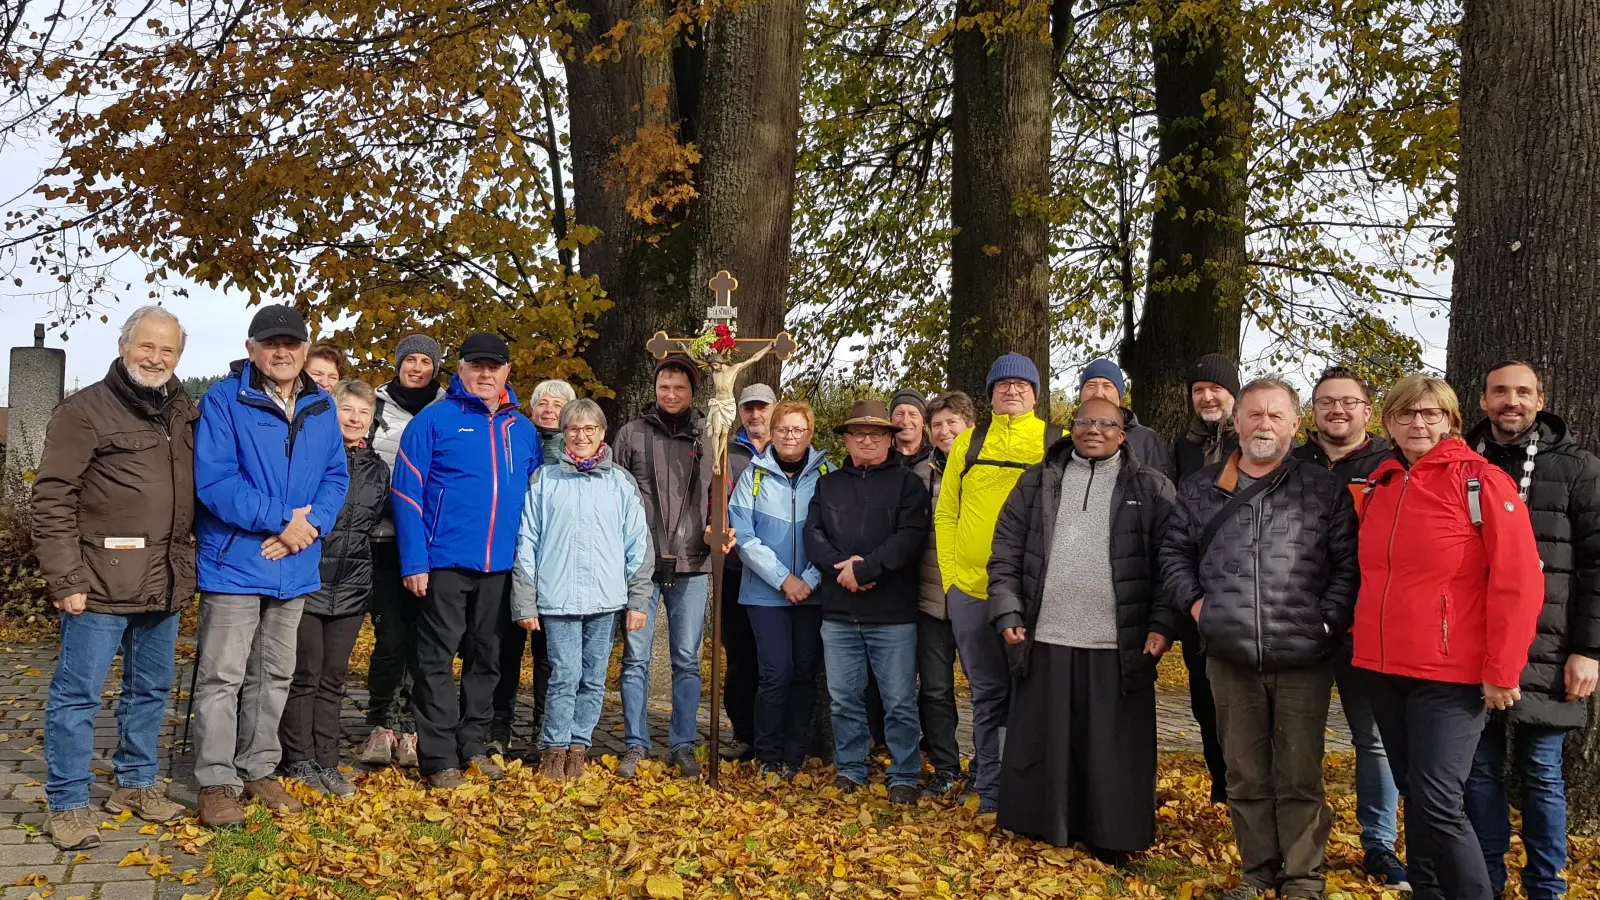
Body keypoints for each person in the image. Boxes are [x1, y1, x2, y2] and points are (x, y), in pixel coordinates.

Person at [1159, 379, 1359, 900]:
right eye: (1253, 415)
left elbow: (1346, 567)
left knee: (1299, 775)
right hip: (1228, 654)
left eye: (1275, 415)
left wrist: (1325, 623)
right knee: (1244, 773)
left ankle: (1303, 878)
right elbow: (1173, 556)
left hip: (1302, 657)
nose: (1263, 425)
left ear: (1295, 425)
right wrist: (1200, 608)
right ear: (1237, 422)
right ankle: (1256, 872)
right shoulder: (1201, 488)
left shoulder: (1322, 488)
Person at [1352, 375, 1543, 900]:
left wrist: (1502, 669)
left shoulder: (1481, 483)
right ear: (1387, 421)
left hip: (1450, 674)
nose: (1418, 423)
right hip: (1384, 668)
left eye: (1431, 414)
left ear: (1451, 421)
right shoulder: (1380, 484)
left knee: (1438, 801)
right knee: (1415, 794)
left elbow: (1519, 581)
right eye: (1406, 413)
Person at [33, 307, 197, 850]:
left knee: (149, 690)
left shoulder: (182, 412)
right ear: (125, 345)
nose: (156, 358)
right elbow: (52, 497)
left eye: (167, 350)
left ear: (179, 355)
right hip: (97, 583)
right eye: (146, 346)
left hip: (163, 581)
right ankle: (68, 801)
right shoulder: (84, 412)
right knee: (78, 696)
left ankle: (135, 782)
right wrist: (65, 578)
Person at [987, 397, 1178, 859]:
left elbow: (1173, 563)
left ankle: (1111, 834)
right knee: (1048, 739)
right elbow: (1006, 551)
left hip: (1118, 639)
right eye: (1085, 422)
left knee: (1110, 746)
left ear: (1123, 432)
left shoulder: (1152, 488)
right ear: (1070, 429)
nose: (1094, 430)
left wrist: (1163, 623)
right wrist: (1008, 612)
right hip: (1047, 632)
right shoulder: (1036, 482)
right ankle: (1046, 825)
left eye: (1105, 423)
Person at [191, 304, 350, 827]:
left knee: (275, 674)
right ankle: (216, 780)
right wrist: (284, 521)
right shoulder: (223, 400)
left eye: (291, 343)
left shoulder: (323, 405)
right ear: (251, 349)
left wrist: (310, 527)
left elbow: (335, 478)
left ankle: (259, 768)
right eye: (270, 343)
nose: (281, 352)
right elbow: (216, 482)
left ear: (305, 349)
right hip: (237, 560)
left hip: (295, 563)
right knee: (222, 676)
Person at [1462, 361, 1600, 900]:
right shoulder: (1461, 463)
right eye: (1500, 392)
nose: (1511, 401)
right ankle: (1486, 882)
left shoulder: (1579, 469)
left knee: (1542, 773)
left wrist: (1589, 648)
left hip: (1552, 647)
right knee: (1479, 771)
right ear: (1482, 401)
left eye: (1522, 392)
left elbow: (1595, 562)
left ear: (1540, 399)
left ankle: (1547, 887)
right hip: (1475, 646)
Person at [391, 332, 542, 789]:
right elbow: (405, 492)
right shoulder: (434, 420)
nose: (485, 374)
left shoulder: (523, 428)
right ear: (460, 370)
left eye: (493, 367)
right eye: (476, 366)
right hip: (444, 562)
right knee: (436, 659)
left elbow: (536, 498)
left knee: (488, 658)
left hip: (501, 565)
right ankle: (438, 757)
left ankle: (473, 744)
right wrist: (414, 561)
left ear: (506, 374)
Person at [1286, 366, 1407, 889]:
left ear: (1366, 408)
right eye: (1326, 402)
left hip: (1369, 626)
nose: (1337, 410)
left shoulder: (1393, 463)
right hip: (1299, 621)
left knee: (1373, 739)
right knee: (1294, 739)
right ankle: (1294, 843)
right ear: (1312, 411)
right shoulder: (1290, 463)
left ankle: (1379, 844)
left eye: (1348, 401)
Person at [934, 351, 1059, 813]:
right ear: (989, 395)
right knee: (987, 694)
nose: (1012, 390)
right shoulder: (968, 442)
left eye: (1022, 385)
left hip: (1032, 596)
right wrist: (951, 579)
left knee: (1034, 693)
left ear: (1034, 394)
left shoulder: (1055, 440)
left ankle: (1030, 788)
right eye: (1002, 384)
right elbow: (947, 512)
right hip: (969, 591)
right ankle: (990, 788)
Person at [511, 399, 654, 783]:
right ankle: (554, 747)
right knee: (564, 674)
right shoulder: (545, 479)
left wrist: (637, 600)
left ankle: (579, 746)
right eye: (574, 429)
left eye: (590, 429)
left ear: (602, 434)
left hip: (606, 600)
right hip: (557, 598)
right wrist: (525, 599)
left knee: (593, 678)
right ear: (564, 433)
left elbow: (637, 544)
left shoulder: (620, 482)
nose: (582, 436)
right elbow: (527, 540)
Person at [805, 400, 931, 806]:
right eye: (857, 433)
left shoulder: (908, 485)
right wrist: (844, 571)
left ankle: (905, 773)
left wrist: (866, 570)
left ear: (889, 439)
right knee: (843, 698)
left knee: (898, 700)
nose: (866, 440)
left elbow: (909, 538)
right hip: (839, 611)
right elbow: (814, 534)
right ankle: (852, 768)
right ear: (845, 438)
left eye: (875, 434)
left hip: (892, 614)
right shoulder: (829, 484)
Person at [277, 379, 389, 798]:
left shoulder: (379, 470)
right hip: (309, 578)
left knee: (334, 677)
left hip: (354, 583)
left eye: (364, 412)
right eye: (348, 410)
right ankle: (298, 757)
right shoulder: (313, 458)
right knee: (303, 674)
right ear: (333, 412)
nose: (356, 418)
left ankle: (326, 760)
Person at [612, 357, 715, 779]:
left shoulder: (710, 435)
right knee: (636, 657)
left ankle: (683, 742)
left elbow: (721, 488)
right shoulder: (632, 434)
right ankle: (636, 743)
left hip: (693, 561)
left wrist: (716, 529)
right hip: (642, 561)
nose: (671, 395)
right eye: (664, 387)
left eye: (680, 388)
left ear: (693, 392)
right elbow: (615, 492)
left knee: (687, 658)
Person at [729, 400, 831, 780]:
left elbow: (834, 534)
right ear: (771, 433)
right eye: (783, 429)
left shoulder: (827, 474)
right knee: (775, 673)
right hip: (764, 594)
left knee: (804, 672)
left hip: (813, 591)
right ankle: (767, 753)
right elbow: (744, 536)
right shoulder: (752, 476)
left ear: (810, 434)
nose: (790, 437)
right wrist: (783, 579)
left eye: (798, 430)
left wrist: (808, 579)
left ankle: (794, 754)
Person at [362, 333, 445, 768]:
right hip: (383, 539)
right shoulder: (374, 408)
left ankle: (414, 727)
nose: (416, 367)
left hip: (433, 542)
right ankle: (382, 722)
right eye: (409, 359)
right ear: (397, 364)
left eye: (425, 361)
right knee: (390, 638)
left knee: (425, 640)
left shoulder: (449, 409)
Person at [1170, 352, 1241, 803]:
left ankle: (1247, 783)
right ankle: (1221, 781)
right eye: (1199, 390)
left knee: (1243, 697)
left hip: (1243, 588)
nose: (1207, 396)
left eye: (1215, 388)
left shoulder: (1254, 439)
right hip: (1195, 591)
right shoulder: (1183, 449)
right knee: (1203, 696)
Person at [490, 378, 573, 756]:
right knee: (505, 646)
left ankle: (545, 725)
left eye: (558, 404)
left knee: (549, 651)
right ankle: (498, 723)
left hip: (556, 563)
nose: (549, 410)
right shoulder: (515, 436)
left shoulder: (576, 451)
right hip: (511, 557)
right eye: (543, 402)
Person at [913, 391, 975, 797]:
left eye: (952, 422)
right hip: (931, 600)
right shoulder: (920, 475)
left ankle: (991, 768)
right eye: (937, 424)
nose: (945, 430)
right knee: (935, 690)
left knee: (988, 690)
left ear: (969, 424)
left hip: (977, 599)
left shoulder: (986, 469)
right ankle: (945, 767)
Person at [719, 383, 777, 762]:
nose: (755, 415)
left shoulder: (790, 447)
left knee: (774, 656)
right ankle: (744, 732)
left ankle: (775, 732)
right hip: (736, 569)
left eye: (762, 408)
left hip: (778, 571)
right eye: (749, 409)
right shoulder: (725, 451)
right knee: (740, 655)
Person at [1076, 359, 1173, 480]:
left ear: (1119, 395)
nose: (1099, 393)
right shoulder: (1068, 439)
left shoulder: (1147, 441)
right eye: (1091, 385)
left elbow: (1162, 492)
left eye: (1107, 386)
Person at [890, 388, 931, 467]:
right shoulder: (878, 459)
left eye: (912, 414)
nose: (905, 421)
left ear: (923, 421)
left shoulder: (937, 460)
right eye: (899, 414)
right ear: (891, 419)